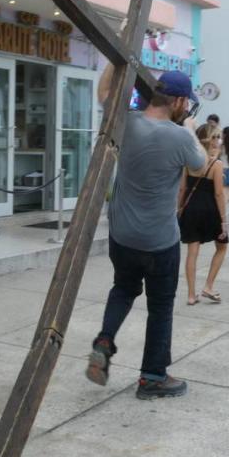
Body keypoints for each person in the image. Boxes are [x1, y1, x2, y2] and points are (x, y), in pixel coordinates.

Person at [86, 68, 206, 400]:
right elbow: (200, 166)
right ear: (180, 101)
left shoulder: (126, 122)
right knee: (161, 307)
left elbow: (103, 92)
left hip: (122, 235)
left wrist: (123, 50)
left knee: (123, 288)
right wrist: (191, 129)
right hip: (159, 241)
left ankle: (105, 340)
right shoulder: (180, 137)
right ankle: (152, 377)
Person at [179, 124, 229, 305]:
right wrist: (223, 220)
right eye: (215, 137)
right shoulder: (216, 164)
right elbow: (218, 194)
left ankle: (191, 295)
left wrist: (179, 210)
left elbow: (183, 188)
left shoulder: (189, 162)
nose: (218, 141)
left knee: (192, 252)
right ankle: (208, 285)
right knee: (222, 247)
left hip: (190, 209)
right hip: (210, 211)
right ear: (209, 140)